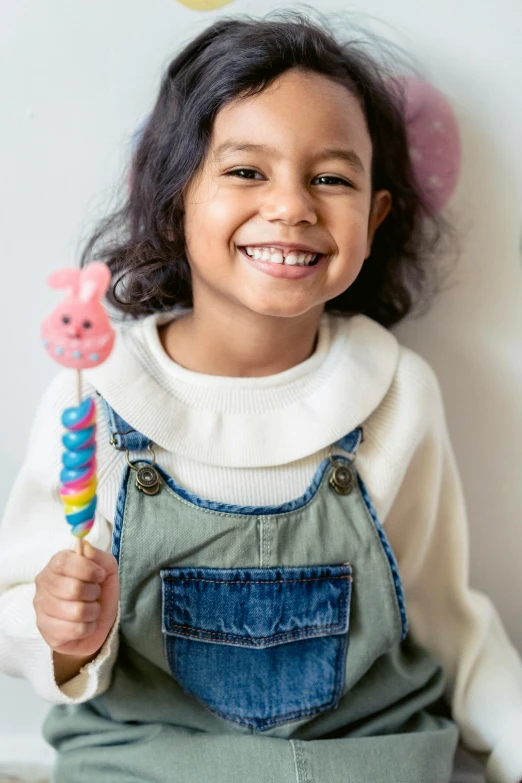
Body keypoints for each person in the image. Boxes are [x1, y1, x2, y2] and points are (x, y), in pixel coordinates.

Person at [1, 10, 521, 783]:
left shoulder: (395, 391)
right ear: (178, 196)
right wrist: (61, 628)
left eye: (331, 177)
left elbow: (444, 617)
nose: (293, 206)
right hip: (148, 761)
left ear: (374, 215)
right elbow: (24, 605)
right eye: (247, 170)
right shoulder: (99, 391)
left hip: (366, 759)